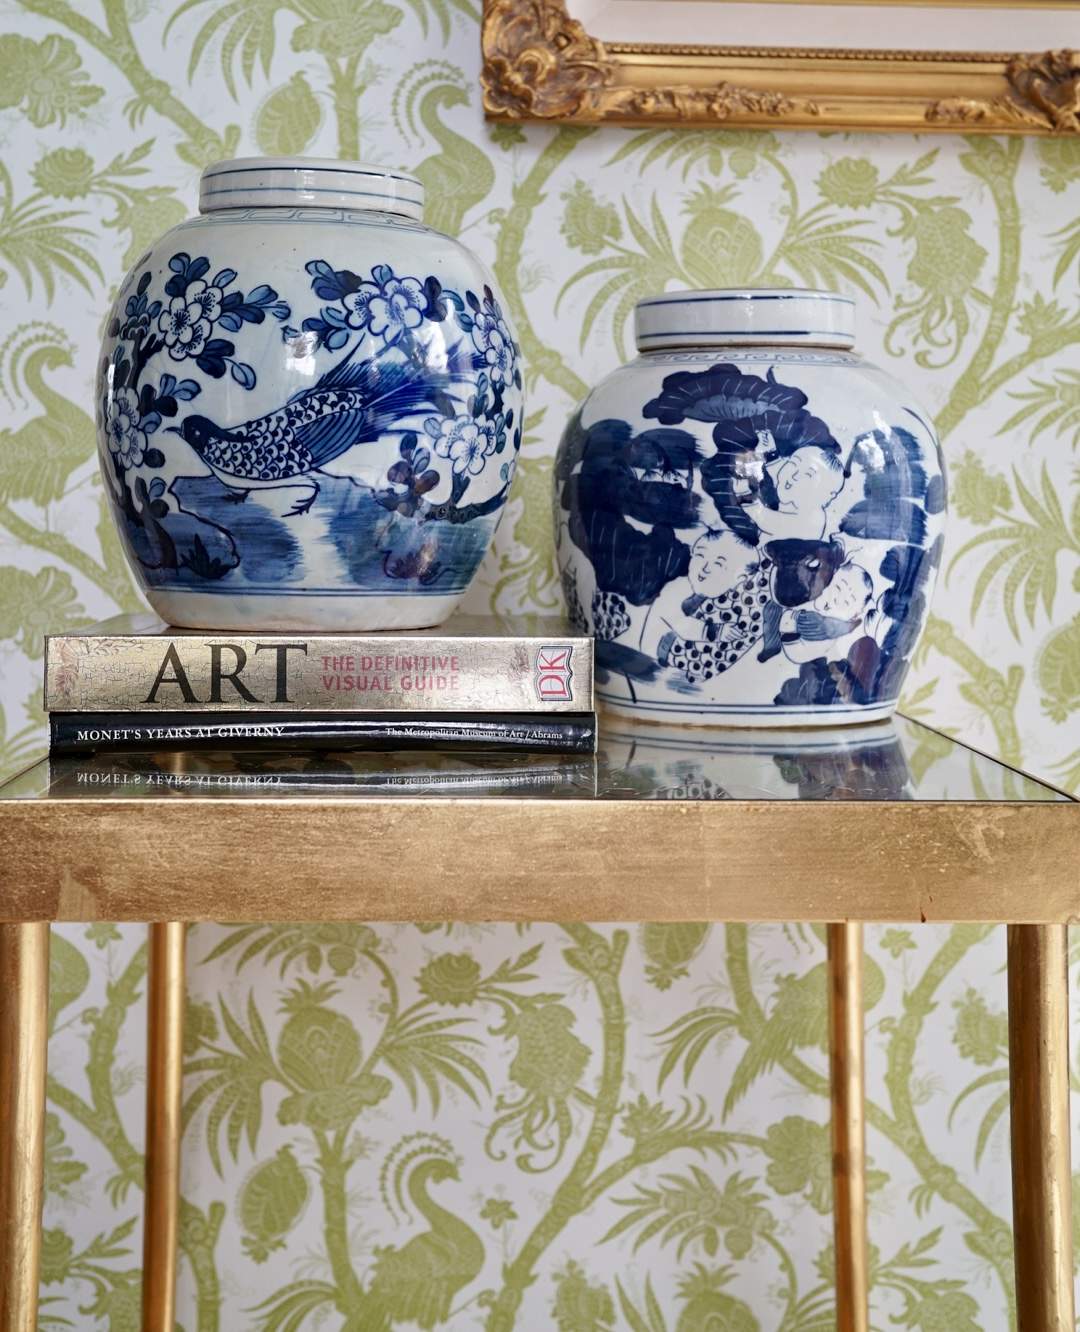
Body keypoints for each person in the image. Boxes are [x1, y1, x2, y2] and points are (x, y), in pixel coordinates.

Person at [639, 527, 772, 682]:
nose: (705, 568)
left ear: (740, 578)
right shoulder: (678, 589)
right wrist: (716, 632)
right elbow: (675, 620)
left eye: (718, 564)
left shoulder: (719, 601)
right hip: (658, 650)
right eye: (700, 555)